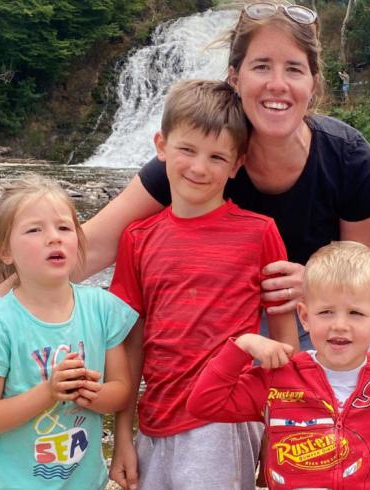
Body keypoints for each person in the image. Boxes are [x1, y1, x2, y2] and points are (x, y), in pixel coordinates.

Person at [0, 0, 370, 392]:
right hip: (216, 331)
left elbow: (367, 273)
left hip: (312, 322)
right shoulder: (198, 161)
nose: (277, 84)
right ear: (235, 77)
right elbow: (92, 244)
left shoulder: (346, 157)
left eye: (293, 69)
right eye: (261, 66)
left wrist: (311, 280)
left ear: (313, 83)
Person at [107, 79, 300, 490]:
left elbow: (284, 341)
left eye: (216, 157)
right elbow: (130, 346)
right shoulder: (136, 240)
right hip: (154, 420)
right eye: (187, 150)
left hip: (224, 420)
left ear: (236, 164)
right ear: (161, 145)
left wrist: (279, 431)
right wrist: (123, 436)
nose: (198, 168)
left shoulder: (260, 233)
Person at [187, 241, 370, 489]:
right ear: (305, 317)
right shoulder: (277, 378)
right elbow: (203, 404)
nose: (340, 326)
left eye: (356, 314)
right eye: (327, 312)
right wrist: (241, 348)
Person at [0, 175, 137, 489]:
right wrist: (48, 392)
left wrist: (92, 393)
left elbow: (121, 391)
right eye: (34, 230)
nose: (53, 238)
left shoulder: (102, 309)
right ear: (5, 251)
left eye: (64, 228)